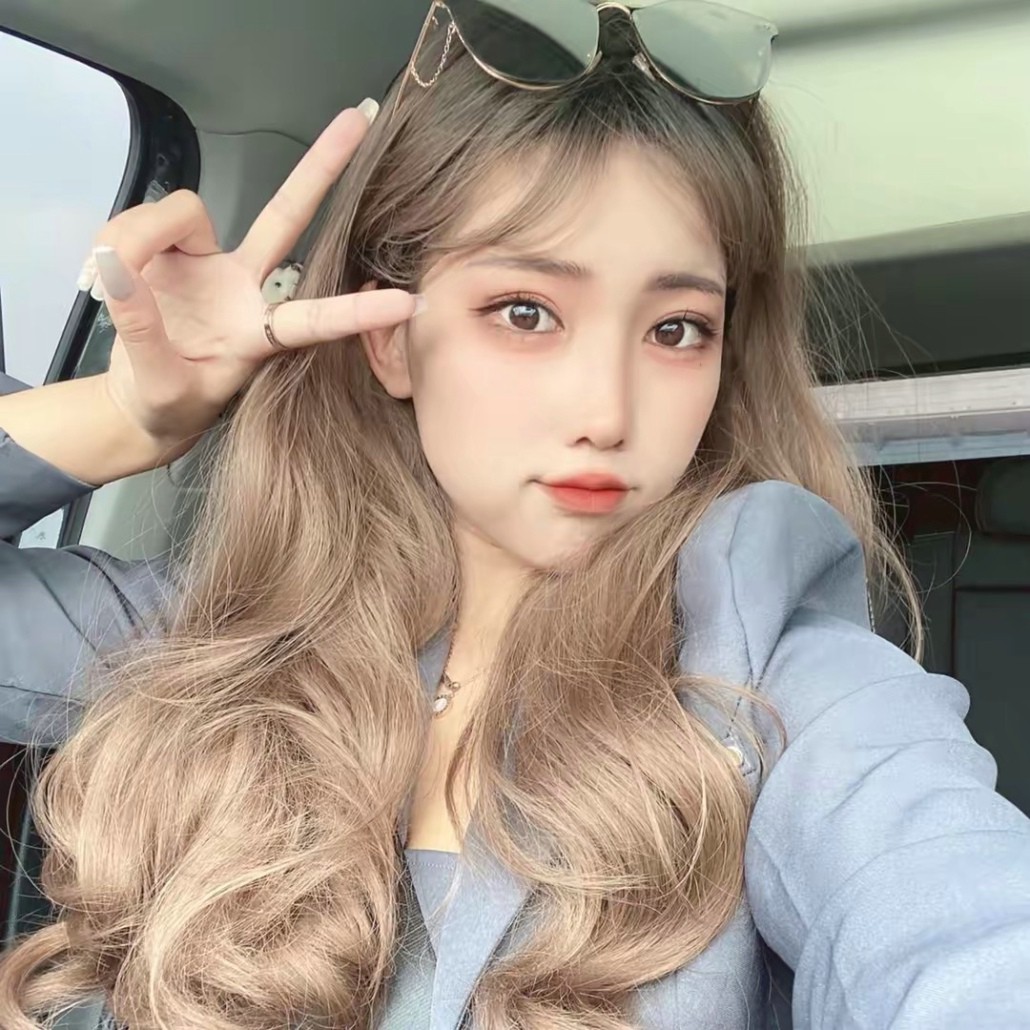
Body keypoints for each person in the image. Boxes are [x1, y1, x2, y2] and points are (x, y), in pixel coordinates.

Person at [1, 3, 1029, 1028]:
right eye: (526, 312)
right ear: (390, 338)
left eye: (677, 328)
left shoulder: (780, 689)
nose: (607, 414)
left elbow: (966, 931)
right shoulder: (212, 639)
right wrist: (131, 417)